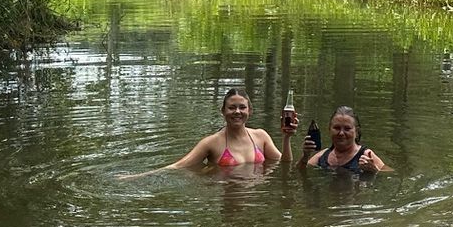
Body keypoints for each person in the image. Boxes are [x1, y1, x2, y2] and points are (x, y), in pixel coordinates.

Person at [120, 89, 285, 177]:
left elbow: (285, 164)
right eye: (231, 107)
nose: (237, 112)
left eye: (242, 107)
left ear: (250, 110)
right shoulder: (212, 142)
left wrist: (287, 137)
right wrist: (137, 176)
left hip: (255, 200)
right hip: (227, 193)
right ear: (223, 111)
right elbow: (179, 166)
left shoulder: (260, 136)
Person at [301, 107, 390, 175]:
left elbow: (391, 173)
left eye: (347, 129)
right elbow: (299, 171)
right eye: (337, 128)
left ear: (356, 132)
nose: (341, 133)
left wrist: (375, 170)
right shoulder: (322, 156)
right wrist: (305, 156)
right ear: (329, 130)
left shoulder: (365, 155)